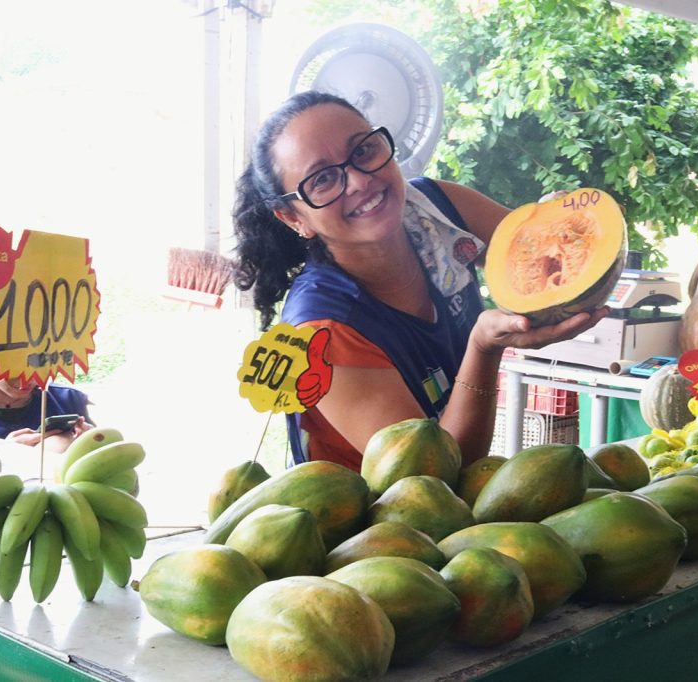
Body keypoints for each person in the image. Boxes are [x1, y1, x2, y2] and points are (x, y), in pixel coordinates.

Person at [232, 91, 607, 471]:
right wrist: (484, 348)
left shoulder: (437, 210)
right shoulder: (320, 335)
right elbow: (435, 475)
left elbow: (543, 256)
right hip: (374, 522)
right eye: (324, 179)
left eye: (364, 151)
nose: (360, 181)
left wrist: (566, 227)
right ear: (293, 218)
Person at [0, 362, 94, 452]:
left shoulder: (68, 400)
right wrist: (1, 451)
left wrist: (91, 441)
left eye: (40, 367)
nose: (27, 380)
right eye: (13, 367)